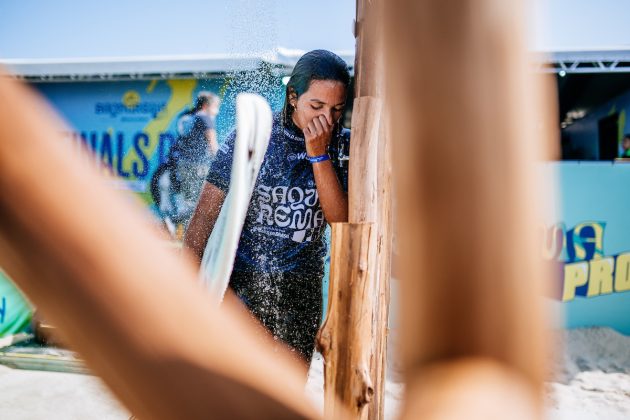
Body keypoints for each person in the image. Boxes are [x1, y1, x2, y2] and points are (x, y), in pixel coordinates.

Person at [184, 50, 351, 364]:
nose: (326, 119)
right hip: (242, 282)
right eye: (316, 106)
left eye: (336, 109)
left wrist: (318, 156)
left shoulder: (343, 145)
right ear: (292, 97)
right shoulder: (253, 137)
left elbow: (341, 223)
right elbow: (205, 215)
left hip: (301, 289)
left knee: (284, 394)